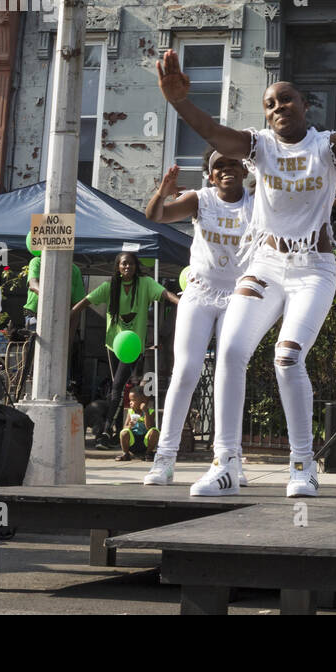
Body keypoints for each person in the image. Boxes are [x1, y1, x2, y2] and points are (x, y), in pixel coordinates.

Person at [156, 44, 336, 498]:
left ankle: (303, 465)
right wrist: (178, 102)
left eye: (286, 99)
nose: (277, 108)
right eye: (270, 103)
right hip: (267, 264)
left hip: (313, 268)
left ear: (305, 105)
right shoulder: (259, 147)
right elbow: (214, 131)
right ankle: (226, 464)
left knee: (287, 358)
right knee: (230, 353)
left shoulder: (326, 147)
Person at [140, 150, 253, 486]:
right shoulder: (199, 200)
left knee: (230, 371)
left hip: (239, 296)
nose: (226, 169)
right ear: (209, 174)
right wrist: (163, 190)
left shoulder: (257, 203)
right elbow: (155, 216)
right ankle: (164, 459)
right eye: (219, 165)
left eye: (233, 163)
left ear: (244, 170)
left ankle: (230, 459)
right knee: (186, 370)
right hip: (201, 293)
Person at [71, 252, 179, 446]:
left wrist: (182, 303)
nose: (127, 267)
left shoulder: (145, 284)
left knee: (117, 387)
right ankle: (110, 430)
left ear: (136, 266)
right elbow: (86, 301)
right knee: (115, 390)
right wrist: (67, 315)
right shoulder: (109, 286)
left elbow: (164, 294)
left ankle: (105, 432)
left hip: (133, 347)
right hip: (113, 344)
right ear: (118, 267)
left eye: (130, 264)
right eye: (123, 264)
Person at [118, 388, 159, 462]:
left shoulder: (150, 412)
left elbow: (149, 427)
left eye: (133, 400)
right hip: (133, 442)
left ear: (143, 401)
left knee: (154, 431)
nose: (130, 402)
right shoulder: (130, 412)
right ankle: (126, 453)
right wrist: (130, 426)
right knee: (124, 432)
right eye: (130, 400)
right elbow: (125, 427)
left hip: (145, 443)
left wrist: (145, 412)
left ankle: (148, 453)